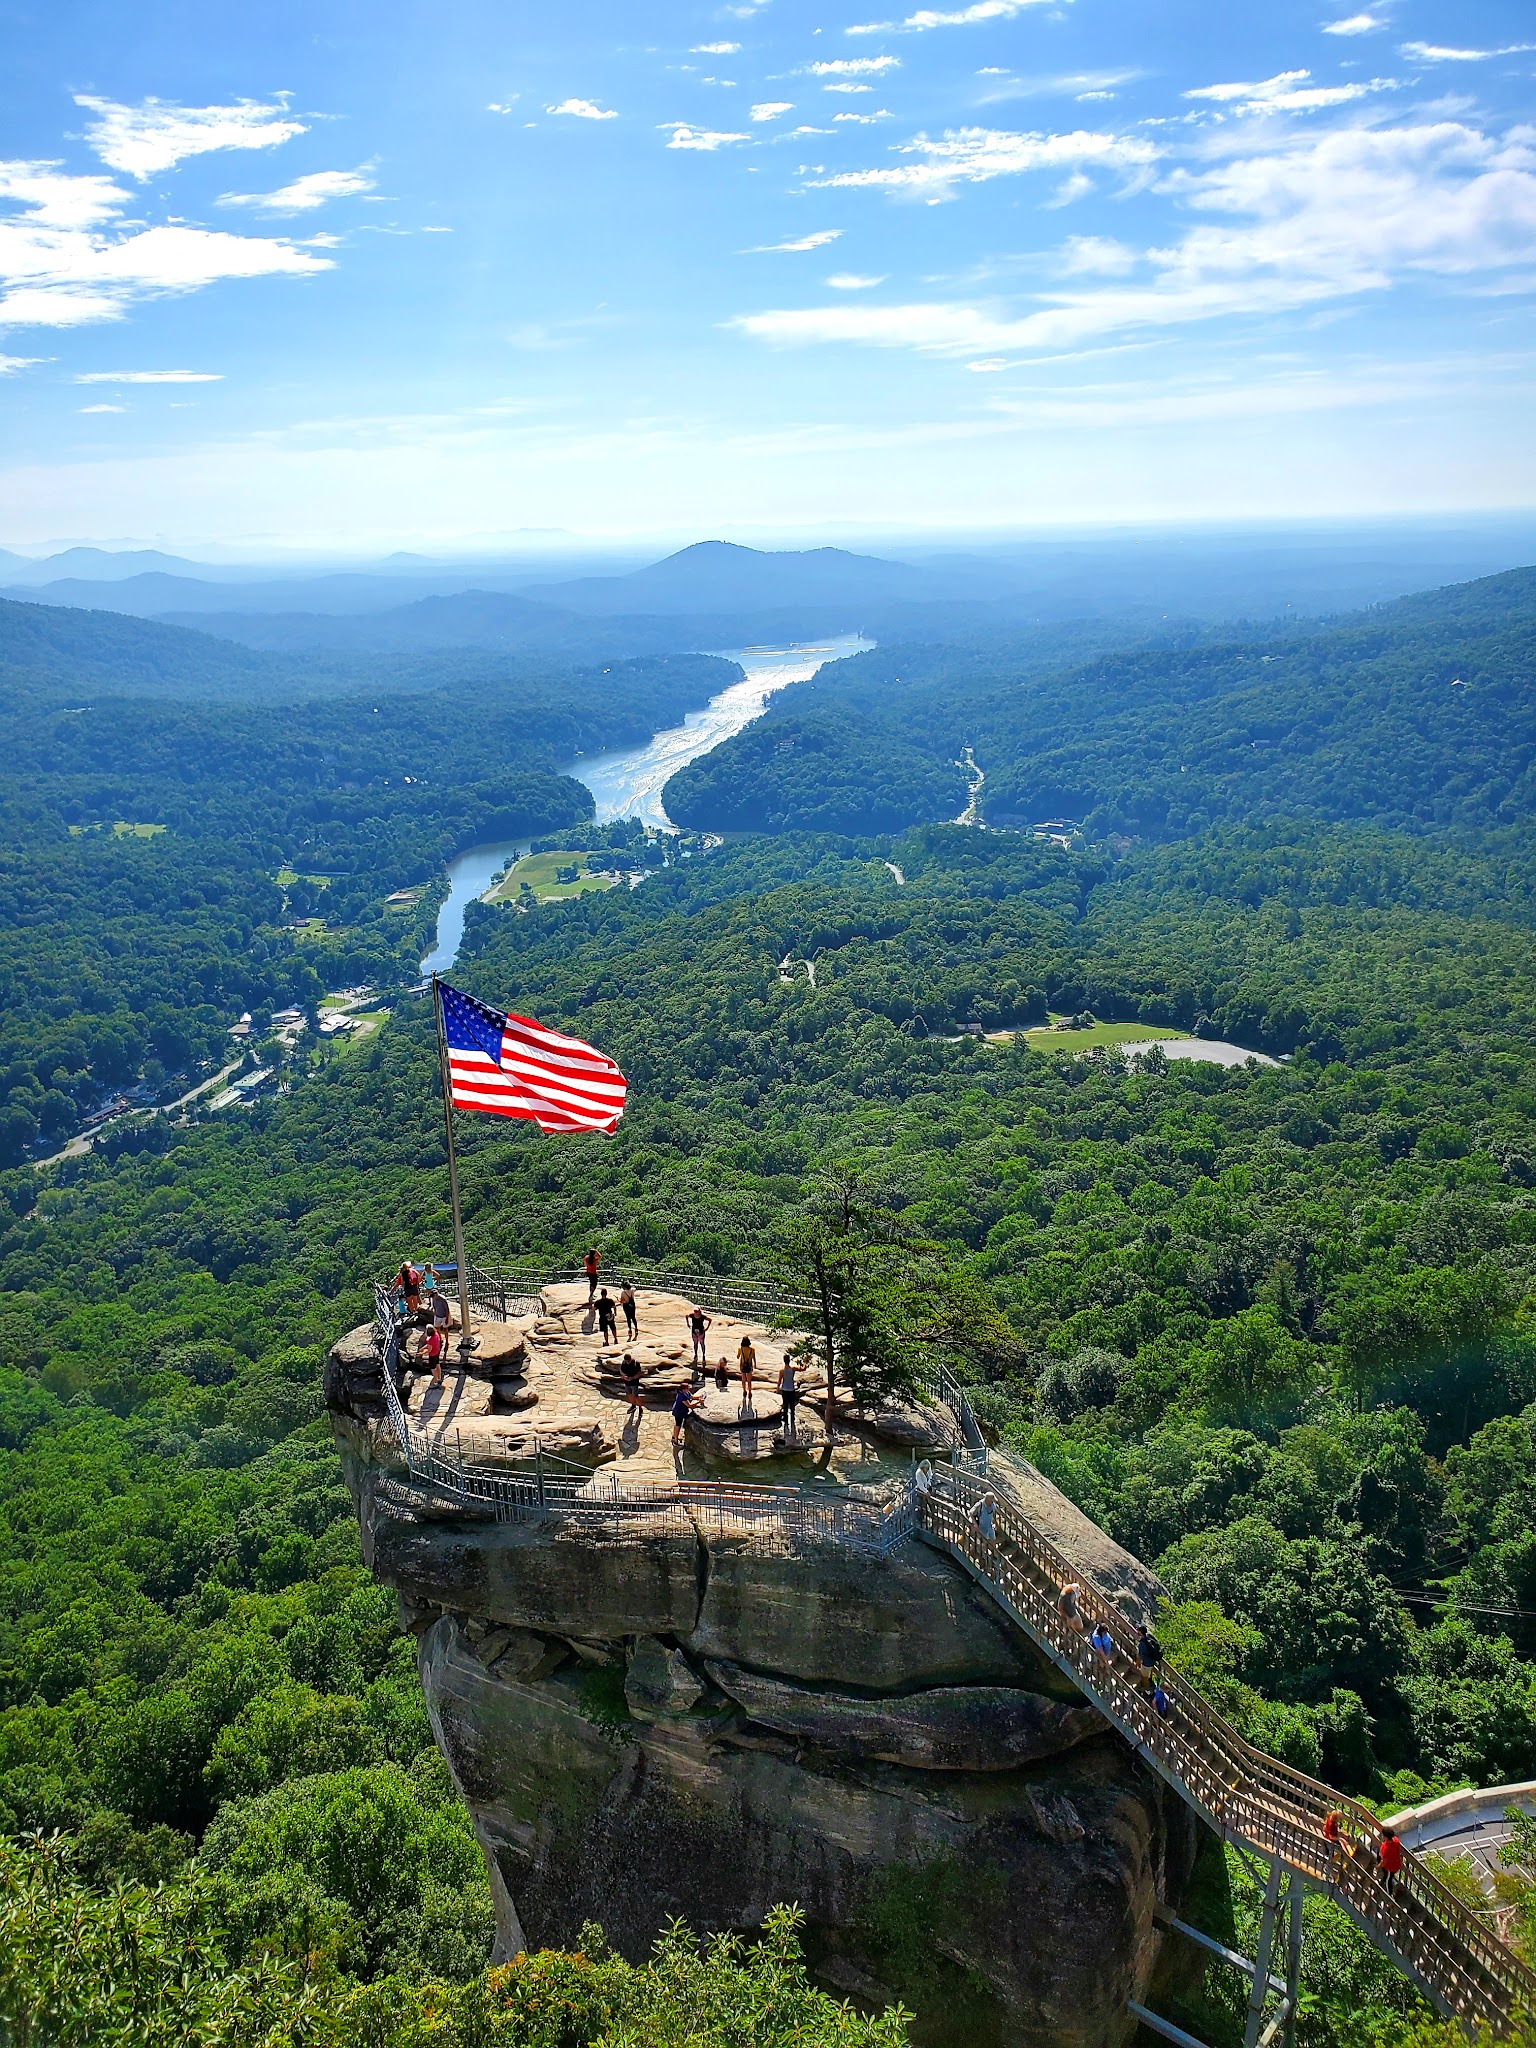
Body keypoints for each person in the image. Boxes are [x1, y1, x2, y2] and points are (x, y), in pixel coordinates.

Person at [671, 1381, 703, 1448]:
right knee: (678, 1425)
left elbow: (691, 1397)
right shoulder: (681, 1396)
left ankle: (674, 1436)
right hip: (679, 1412)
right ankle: (675, 1441)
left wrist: (699, 1397)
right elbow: (689, 1405)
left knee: (677, 1424)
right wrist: (698, 1402)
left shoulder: (686, 1392)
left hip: (681, 1411)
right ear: (683, 1389)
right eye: (687, 1388)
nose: (689, 1389)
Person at [1136, 1622, 1165, 1693]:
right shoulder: (1150, 1636)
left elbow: (1139, 1656)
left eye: (1138, 1630)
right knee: (1148, 1673)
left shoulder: (1141, 1644)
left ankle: (1147, 1688)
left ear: (1140, 1632)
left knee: (1144, 1676)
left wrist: (1137, 1665)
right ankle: (1149, 1684)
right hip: (1153, 1661)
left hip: (1146, 1663)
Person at [777, 1355, 801, 1435]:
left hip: (784, 1389)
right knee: (792, 1404)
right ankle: (792, 1418)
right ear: (789, 1360)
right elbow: (803, 1369)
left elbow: (779, 1381)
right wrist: (806, 1362)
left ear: (784, 1361)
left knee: (785, 1405)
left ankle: (786, 1419)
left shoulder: (782, 1371)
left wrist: (777, 1388)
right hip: (791, 1389)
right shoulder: (793, 1369)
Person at [970, 1491, 998, 1556]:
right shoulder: (980, 1505)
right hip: (981, 1527)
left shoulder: (993, 1505)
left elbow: (993, 1514)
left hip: (989, 1525)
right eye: (991, 1500)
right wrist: (975, 1524)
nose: (992, 1502)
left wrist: (996, 1523)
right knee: (983, 1542)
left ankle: (993, 1553)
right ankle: (982, 1555)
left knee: (993, 1539)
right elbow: (971, 1513)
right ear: (988, 1500)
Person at [1378, 1827, 1404, 1896]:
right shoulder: (1396, 1840)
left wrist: (1378, 1866)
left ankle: (1389, 1894)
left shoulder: (1386, 1848)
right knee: (1389, 1875)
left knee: (1388, 1880)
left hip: (1391, 1867)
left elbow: (1384, 1862)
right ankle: (1385, 1876)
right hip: (1397, 1863)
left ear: (1385, 1837)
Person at [419, 1321, 445, 1388]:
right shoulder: (436, 1334)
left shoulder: (430, 1340)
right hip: (437, 1352)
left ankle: (435, 1382)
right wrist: (422, 1348)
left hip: (433, 1355)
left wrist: (421, 1353)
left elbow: (429, 1350)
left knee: (433, 1368)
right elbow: (429, 1345)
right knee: (437, 1364)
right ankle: (439, 1377)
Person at [688, 1304, 712, 1368]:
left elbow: (710, 1320)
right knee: (695, 1343)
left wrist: (707, 1328)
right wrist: (688, 1324)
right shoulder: (692, 1315)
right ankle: (696, 1354)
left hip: (701, 1332)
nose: (695, 1312)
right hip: (694, 1332)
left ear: (699, 1311)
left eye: (697, 1311)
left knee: (702, 1343)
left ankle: (703, 1355)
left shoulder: (702, 1317)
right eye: (695, 1311)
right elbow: (686, 1316)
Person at [1323, 1808, 1345, 1880]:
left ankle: (1331, 1865)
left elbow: (1324, 1828)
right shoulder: (1332, 1824)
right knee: (1334, 1855)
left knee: (1335, 1854)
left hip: (1328, 1838)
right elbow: (1331, 1836)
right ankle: (1327, 1870)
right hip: (1330, 1842)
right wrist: (1340, 1839)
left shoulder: (1329, 1818)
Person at [738, 1334, 757, 1409]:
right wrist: (755, 1365)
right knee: (749, 1381)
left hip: (742, 1366)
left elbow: (738, 1356)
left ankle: (744, 1391)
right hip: (749, 1366)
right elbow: (754, 1358)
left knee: (743, 1380)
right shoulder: (752, 1350)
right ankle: (749, 1392)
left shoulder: (740, 1349)